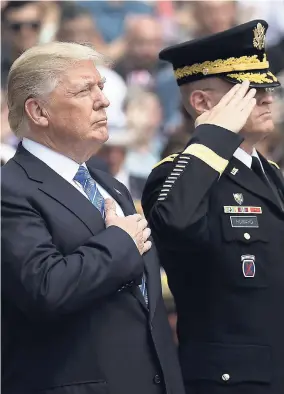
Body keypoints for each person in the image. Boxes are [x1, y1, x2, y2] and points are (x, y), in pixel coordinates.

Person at [1, 42, 185, 394]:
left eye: (100, 87)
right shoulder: (10, 188)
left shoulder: (108, 185)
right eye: (85, 90)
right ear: (38, 111)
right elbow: (45, 289)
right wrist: (119, 243)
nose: (103, 100)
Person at [142, 20, 284, 394]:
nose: (268, 97)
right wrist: (211, 138)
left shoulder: (270, 174)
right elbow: (174, 222)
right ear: (202, 103)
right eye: (249, 89)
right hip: (230, 380)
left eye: (268, 85)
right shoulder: (177, 174)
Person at [1, 1, 42, 88]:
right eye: (16, 27)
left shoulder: (54, 65)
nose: (25, 32)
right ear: (3, 30)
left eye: (34, 25)